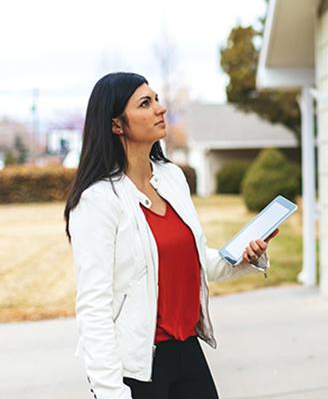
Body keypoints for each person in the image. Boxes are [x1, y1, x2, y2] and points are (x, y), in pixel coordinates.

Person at [64, 72, 278, 399]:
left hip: (186, 351)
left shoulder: (172, 178)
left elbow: (194, 258)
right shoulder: (97, 201)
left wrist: (242, 257)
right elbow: (94, 306)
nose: (160, 109)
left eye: (157, 100)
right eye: (145, 104)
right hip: (135, 364)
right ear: (116, 125)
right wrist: (110, 391)